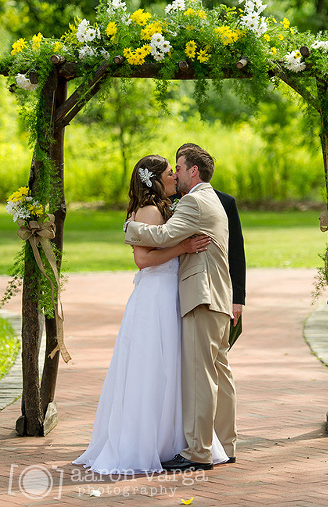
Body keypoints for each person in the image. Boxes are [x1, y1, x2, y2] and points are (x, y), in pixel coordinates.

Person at [74, 155, 228, 474]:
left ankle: (174, 441)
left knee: (175, 369)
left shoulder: (166, 208)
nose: (175, 176)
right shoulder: (149, 211)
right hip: (155, 295)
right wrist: (183, 248)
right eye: (170, 173)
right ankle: (150, 443)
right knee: (154, 367)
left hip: (172, 293)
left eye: (177, 170)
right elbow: (143, 259)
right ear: (156, 179)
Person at [125, 146, 237, 471]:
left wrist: (129, 228)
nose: (175, 172)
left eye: (179, 167)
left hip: (202, 296)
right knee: (219, 372)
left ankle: (199, 452)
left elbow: (163, 235)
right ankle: (225, 444)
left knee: (201, 375)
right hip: (217, 296)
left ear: (193, 172)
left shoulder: (194, 201)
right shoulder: (213, 199)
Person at [175, 143, 246, 346]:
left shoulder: (225, 202)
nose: (176, 173)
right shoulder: (168, 200)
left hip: (209, 290)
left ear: (194, 168)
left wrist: (237, 298)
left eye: (180, 167)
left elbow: (235, 251)